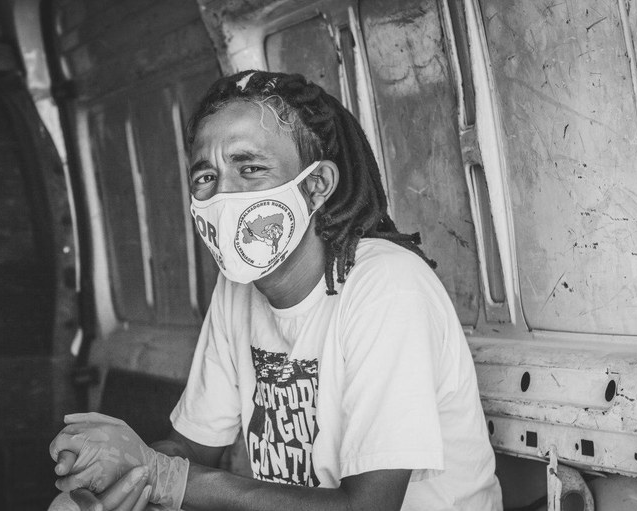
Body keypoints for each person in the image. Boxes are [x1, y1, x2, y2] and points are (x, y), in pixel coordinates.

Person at [48, 70, 503, 511]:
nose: (223, 195)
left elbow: (368, 506)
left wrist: (164, 477)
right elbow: (192, 448)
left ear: (317, 186)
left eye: (250, 168)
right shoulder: (237, 289)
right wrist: (123, 473)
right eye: (205, 177)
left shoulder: (388, 287)